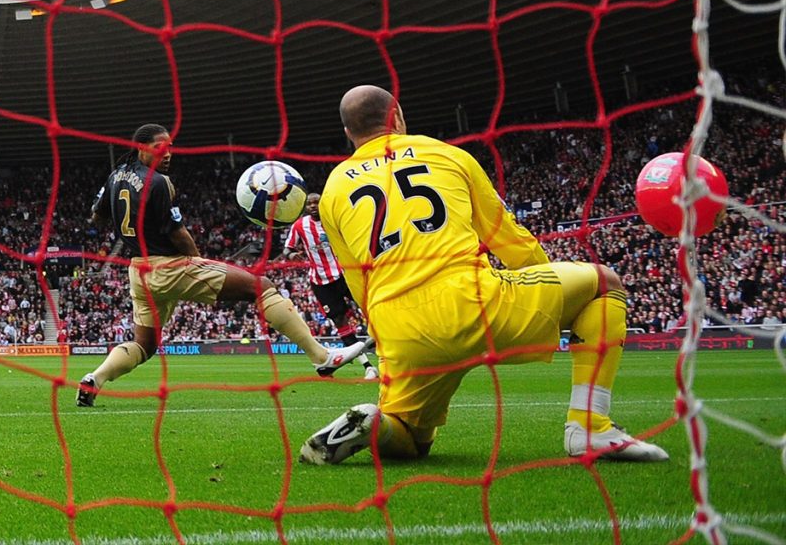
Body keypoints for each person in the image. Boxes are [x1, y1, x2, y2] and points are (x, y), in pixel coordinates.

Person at [299, 86, 668, 464]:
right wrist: (549, 295)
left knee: (411, 440)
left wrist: (388, 337)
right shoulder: (448, 155)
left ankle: (376, 424)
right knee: (604, 284)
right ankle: (589, 425)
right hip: (475, 302)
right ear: (397, 117)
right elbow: (509, 240)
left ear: (348, 133)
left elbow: (358, 282)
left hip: (400, 328)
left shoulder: (332, 191)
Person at [75, 123, 373, 407]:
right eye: (159, 148)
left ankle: (95, 378)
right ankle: (321, 357)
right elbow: (177, 231)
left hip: (138, 271)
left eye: (170, 147)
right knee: (262, 287)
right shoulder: (159, 182)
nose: (167, 154)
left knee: (144, 346)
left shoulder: (116, 175)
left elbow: (96, 216)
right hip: (170, 267)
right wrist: (196, 260)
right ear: (141, 148)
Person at [283, 192, 379, 380]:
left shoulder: (333, 220)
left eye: (316, 203)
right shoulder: (300, 226)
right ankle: (367, 366)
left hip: (345, 274)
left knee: (370, 308)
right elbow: (287, 248)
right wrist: (291, 255)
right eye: (309, 204)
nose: (312, 206)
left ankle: (384, 346)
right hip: (321, 282)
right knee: (340, 321)